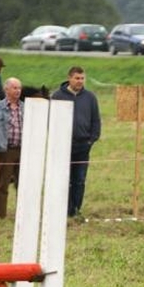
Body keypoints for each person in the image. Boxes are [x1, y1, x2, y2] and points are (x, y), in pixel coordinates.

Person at [51, 66, 102, 218]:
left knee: (79, 180)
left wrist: (91, 139)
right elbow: (51, 121)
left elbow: (96, 120)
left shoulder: (90, 97)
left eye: (82, 78)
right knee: (63, 179)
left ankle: (76, 209)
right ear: (69, 78)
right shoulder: (57, 96)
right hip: (63, 146)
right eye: (77, 78)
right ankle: (63, 209)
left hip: (83, 146)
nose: (80, 81)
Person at [0, 78, 23, 218]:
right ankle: (0, 213)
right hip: (6, 150)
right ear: (6, 89)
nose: (17, 91)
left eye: (19, 88)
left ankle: (22, 212)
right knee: (3, 183)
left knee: (23, 183)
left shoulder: (26, 107)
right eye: (14, 88)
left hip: (23, 150)